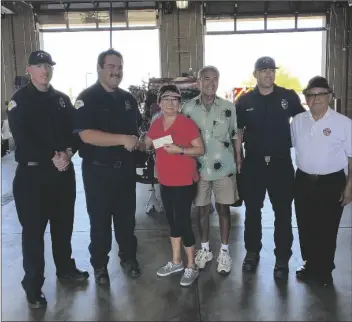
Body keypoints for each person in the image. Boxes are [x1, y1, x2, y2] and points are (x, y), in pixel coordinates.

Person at [7, 50, 89, 309]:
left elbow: (74, 133)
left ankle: (65, 269)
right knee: (33, 234)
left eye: (48, 65)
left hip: (63, 174)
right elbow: (23, 138)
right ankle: (33, 286)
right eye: (40, 65)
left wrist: (68, 152)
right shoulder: (19, 101)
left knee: (63, 228)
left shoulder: (62, 100)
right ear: (29, 69)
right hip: (32, 177)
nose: (45, 70)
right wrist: (53, 155)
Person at [73, 49, 142, 284]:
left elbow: (137, 133)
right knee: (100, 222)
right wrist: (122, 139)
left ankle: (128, 258)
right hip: (98, 171)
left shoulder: (128, 99)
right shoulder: (87, 98)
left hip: (125, 171)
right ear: (100, 68)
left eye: (120, 67)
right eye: (111, 66)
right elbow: (86, 135)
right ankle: (100, 265)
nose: (116, 71)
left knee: (126, 220)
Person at [235, 56, 305, 279]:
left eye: (271, 70)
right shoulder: (244, 101)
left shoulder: (288, 97)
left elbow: (303, 122)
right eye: (263, 70)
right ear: (255, 74)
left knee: (283, 213)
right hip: (253, 164)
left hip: (281, 164)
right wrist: (238, 158)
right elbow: (238, 132)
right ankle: (252, 253)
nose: (269, 74)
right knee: (252, 212)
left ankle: (282, 259)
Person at [291, 76, 352, 287]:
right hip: (303, 181)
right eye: (311, 95)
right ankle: (310, 264)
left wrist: (349, 187)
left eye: (320, 94)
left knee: (327, 228)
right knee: (306, 226)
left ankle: (325, 270)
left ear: (330, 96)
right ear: (306, 98)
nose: (315, 99)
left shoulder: (343, 123)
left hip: (332, 182)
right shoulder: (298, 121)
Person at [142, 84, 204, 286]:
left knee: (184, 222)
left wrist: (180, 150)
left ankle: (191, 265)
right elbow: (146, 144)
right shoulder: (156, 124)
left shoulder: (187, 123)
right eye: (166, 98)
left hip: (184, 181)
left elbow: (200, 149)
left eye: (174, 99)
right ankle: (176, 261)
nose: (170, 102)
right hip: (165, 181)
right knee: (172, 221)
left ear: (180, 103)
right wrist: (135, 139)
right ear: (159, 103)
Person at [182, 66, 239, 275]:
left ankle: (224, 251)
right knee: (202, 210)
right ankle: (205, 249)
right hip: (197, 167)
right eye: (206, 78)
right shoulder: (187, 108)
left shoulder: (228, 107)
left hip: (224, 166)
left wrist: (239, 161)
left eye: (215, 79)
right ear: (198, 82)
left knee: (224, 210)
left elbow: (235, 135)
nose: (211, 83)